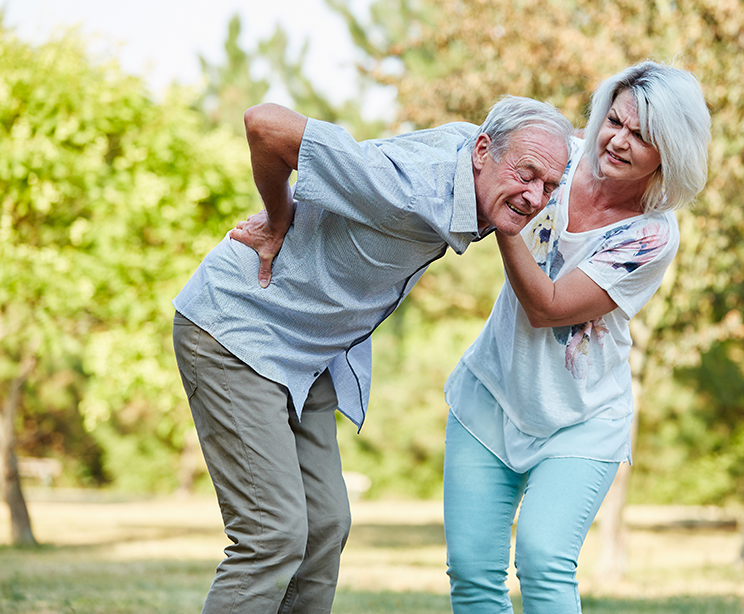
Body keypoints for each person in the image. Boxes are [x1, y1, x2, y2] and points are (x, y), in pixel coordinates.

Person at [171, 96, 573, 614]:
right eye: (527, 175)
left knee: (325, 527)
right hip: (238, 330)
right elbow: (265, 124)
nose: (535, 196)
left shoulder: (495, 158)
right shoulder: (403, 184)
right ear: (481, 151)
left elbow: (570, 152)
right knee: (272, 535)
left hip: (306, 355)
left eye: (549, 185)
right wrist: (278, 218)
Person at [442, 60, 712, 614]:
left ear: (671, 151)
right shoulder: (557, 159)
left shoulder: (651, 234)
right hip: (488, 396)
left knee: (543, 561)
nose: (617, 140)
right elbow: (465, 151)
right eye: (615, 120)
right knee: (472, 574)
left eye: (642, 135)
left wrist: (507, 220)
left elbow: (549, 308)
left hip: (581, 419)